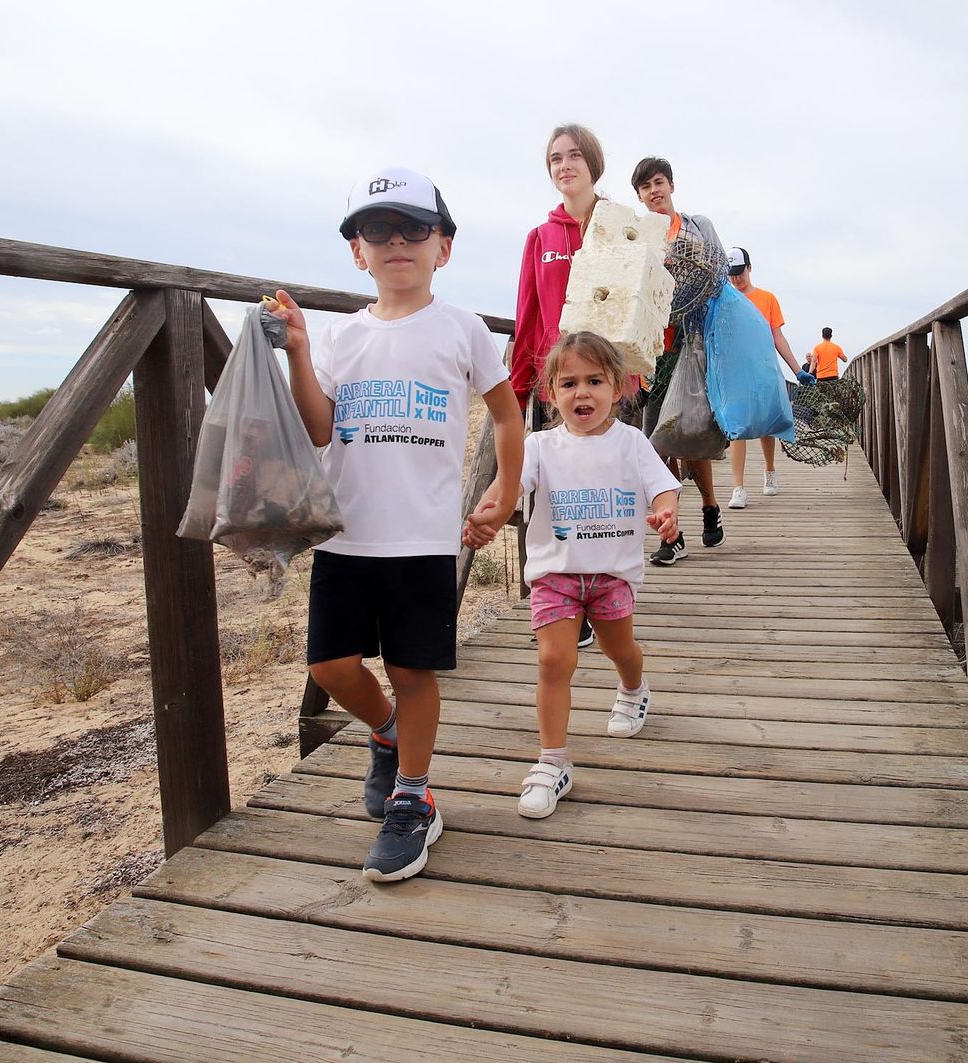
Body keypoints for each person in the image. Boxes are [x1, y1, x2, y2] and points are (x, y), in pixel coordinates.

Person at [270, 165, 524, 882]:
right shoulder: (342, 336)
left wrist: (505, 490)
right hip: (346, 533)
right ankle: (386, 735)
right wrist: (296, 351)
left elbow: (507, 413)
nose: (396, 242)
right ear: (357, 251)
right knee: (331, 666)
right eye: (376, 230)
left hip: (421, 537)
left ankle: (414, 798)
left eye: (415, 228)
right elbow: (320, 426)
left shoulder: (462, 328)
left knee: (414, 670)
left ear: (443, 246)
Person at [464, 332, 680, 819]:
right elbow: (509, 485)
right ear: (550, 393)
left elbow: (664, 488)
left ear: (619, 388)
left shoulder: (633, 443)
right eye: (569, 383)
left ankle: (632, 688)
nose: (582, 393)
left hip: (611, 574)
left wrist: (666, 514)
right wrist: (489, 517)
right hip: (556, 575)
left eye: (595, 381)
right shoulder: (539, 445)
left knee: (618, 648)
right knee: (553, 661)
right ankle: (552, 761)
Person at [513, 123, 609, 650]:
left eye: (574, 156)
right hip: (558, 385)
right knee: (556, 495)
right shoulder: (541, 238)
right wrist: (518, 384)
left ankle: (603, 597)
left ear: (593, 162)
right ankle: (559, 602)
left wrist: (634, 373)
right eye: (555, 159)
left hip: (610, 381)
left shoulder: (618, 226)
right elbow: (527, 312)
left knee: (601, 494)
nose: (565, 165)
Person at [631, 156, 725, 563]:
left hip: (695, 344)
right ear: (639, 196)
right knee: (659, 442)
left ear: (671, 185)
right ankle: (672, 535)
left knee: (691, 436)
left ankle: (710, 505)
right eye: (645, 187)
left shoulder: (697, 225)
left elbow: (720, 277)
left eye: (658, 182)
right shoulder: (637, 238)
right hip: (656, 351)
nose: (654, 191)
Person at [724, 247, 808, 507]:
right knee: (737, 426)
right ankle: (738, 488)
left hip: (764, 368)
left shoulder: (767, 298)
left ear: (749, 268)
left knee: (766, 423)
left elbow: (777, 337)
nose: (736, 279)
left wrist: (797, 370)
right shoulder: (724, 300)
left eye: (740, 272)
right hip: (735, 370)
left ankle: (769, 472)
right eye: (732, 274)